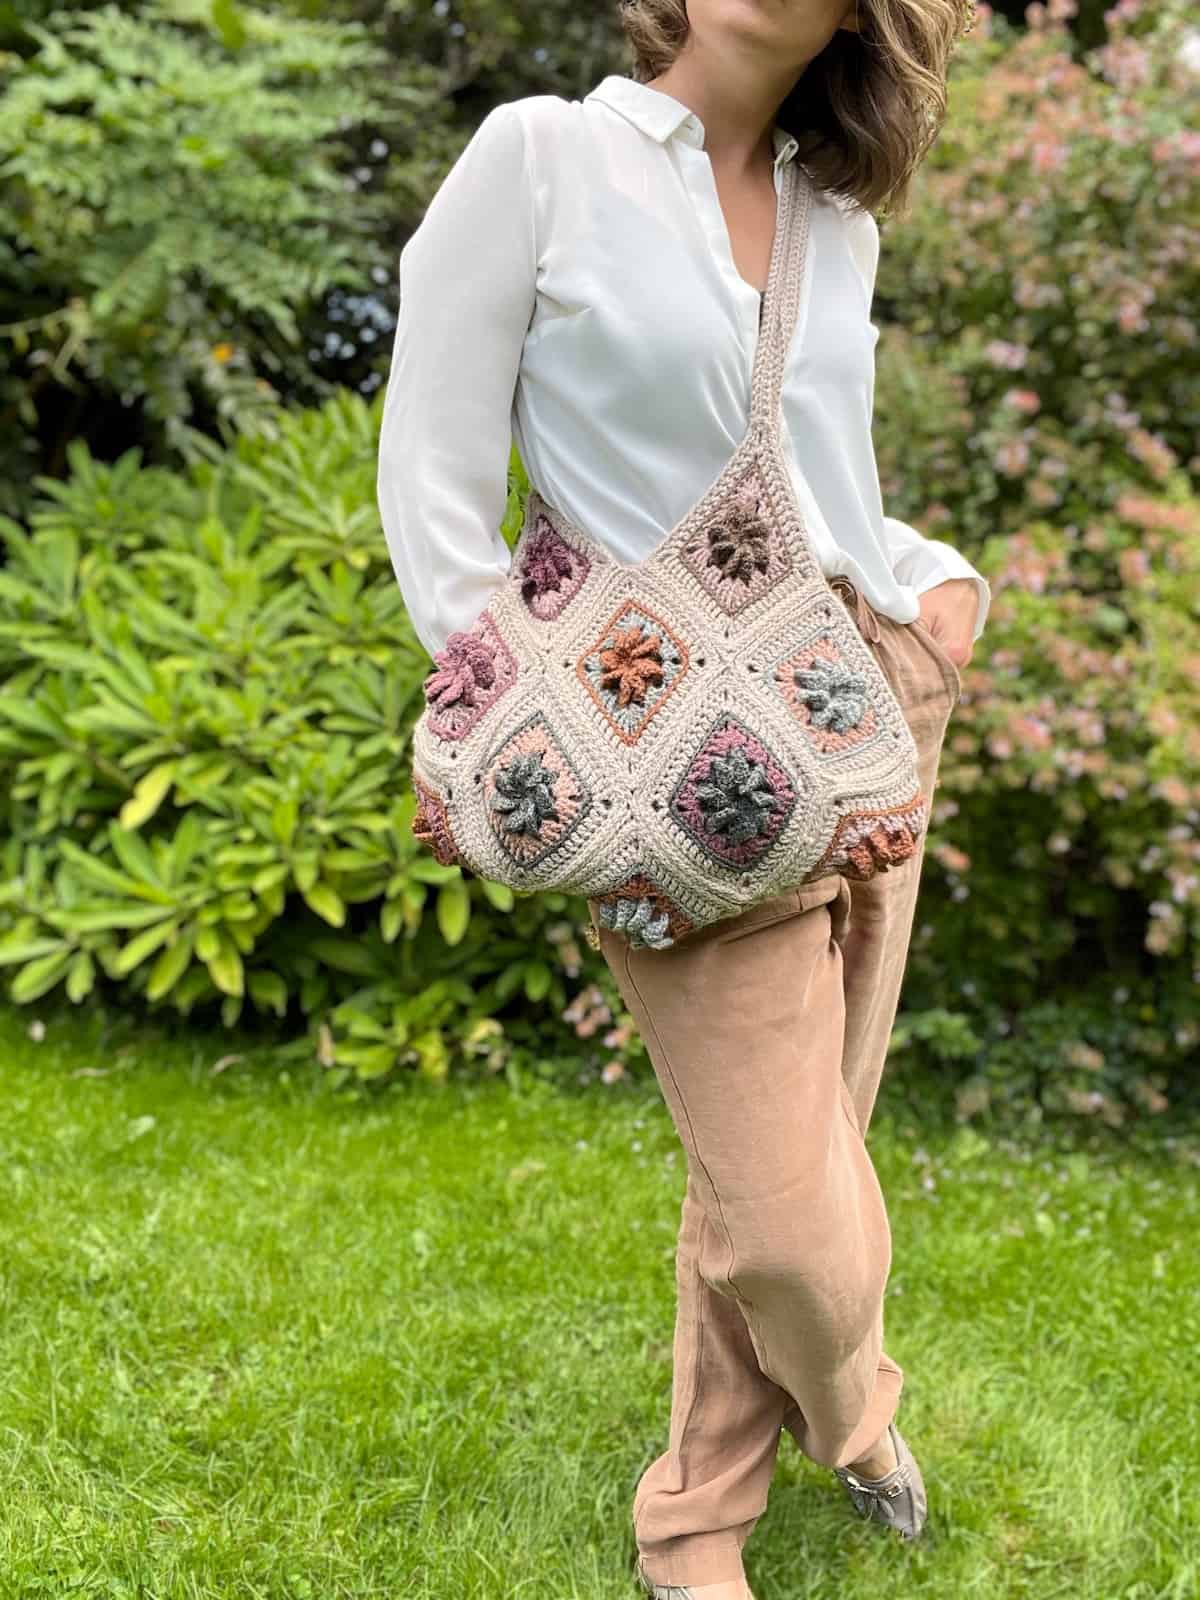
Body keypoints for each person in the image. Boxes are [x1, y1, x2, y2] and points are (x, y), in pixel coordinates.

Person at [377, 2, 987, 1594]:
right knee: (791, 1219)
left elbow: (821, 481)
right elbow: (433, 478)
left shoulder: (830, 217)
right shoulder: (542, 160)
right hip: (650, 747)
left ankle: (694, 1527)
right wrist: (520, 704)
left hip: (861, 713)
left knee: (795, 1153)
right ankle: (855, 1412)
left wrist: (934, 593)